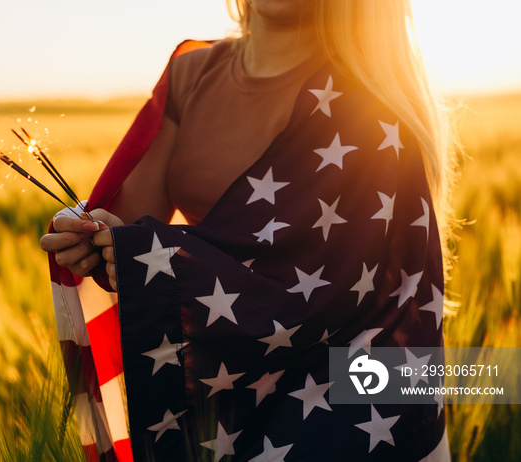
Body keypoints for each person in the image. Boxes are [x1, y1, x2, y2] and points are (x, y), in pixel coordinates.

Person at [41, 1, 454, 460]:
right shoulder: (191, 74)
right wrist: (93, 238)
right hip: (226, 379)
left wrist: (157, 264)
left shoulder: (372, 106)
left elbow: (335, 286)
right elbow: (126, 227)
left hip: (349, 404)